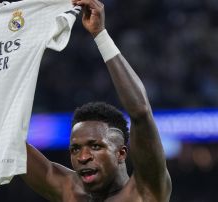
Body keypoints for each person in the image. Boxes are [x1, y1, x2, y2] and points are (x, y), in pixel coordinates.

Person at [21, 0, 172, 201]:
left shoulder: (144, 193)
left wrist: (100, 35)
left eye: (95, 146)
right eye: (75, 149)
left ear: (121, 153)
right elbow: (8, 143)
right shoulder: (70, 191)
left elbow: (141, 112)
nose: (83, 157)